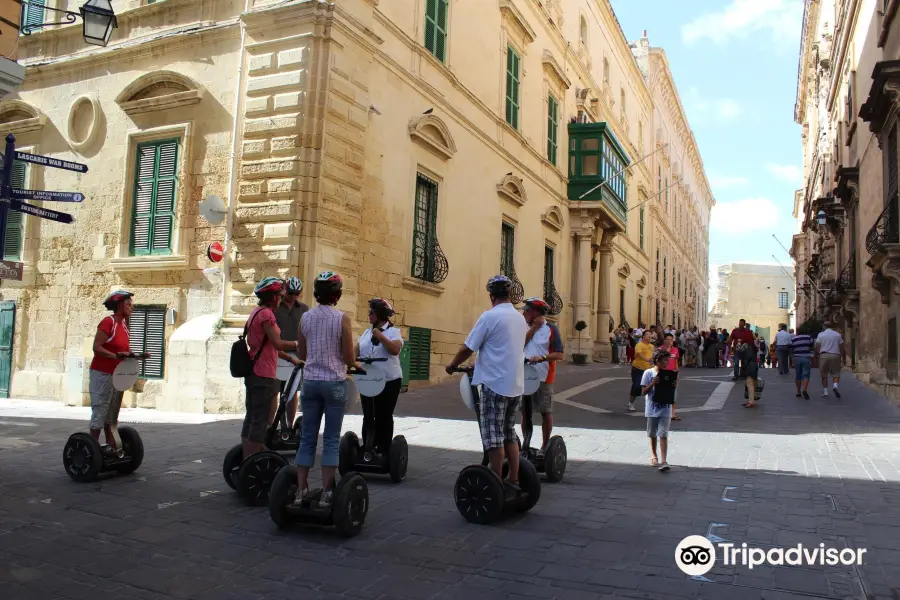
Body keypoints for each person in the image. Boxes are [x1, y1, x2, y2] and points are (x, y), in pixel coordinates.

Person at [446, 275, 526, 492]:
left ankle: (496, 481)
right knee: (509, 431)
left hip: (495, 385)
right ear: (509, 295)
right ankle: (514, 478)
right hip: (516, 385)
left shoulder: (489, 317)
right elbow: (503, 349)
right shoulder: (520, 319)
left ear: (491, 296)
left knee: (493, 435)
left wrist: (452, 364)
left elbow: (467, 347)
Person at [294, 272, 360, 507]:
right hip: (334, 382)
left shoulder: (305, 318)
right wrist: (355, 364)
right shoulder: (341, 318)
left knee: (307, 437)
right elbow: (349, 357)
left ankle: (301, 489)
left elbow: (302, 354)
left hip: (310, 382)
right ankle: (327, 492)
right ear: (338, 294)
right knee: (331, 439)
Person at [242, 278, 304, 461]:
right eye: (280, 295)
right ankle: (252, 460)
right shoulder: (267, 315)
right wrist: (297, 344)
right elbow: (277, 343)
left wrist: (290, 359)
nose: (282, 298)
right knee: (259, 420)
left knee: (251, 417)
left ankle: (247, 456)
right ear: (273, 297)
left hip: (254, 371)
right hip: (264, 374)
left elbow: (269, 346)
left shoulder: (256, 312)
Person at [89, 291, 147, 452]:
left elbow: (125, 351)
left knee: (112, 412)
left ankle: (111, 444)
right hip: (101, 373)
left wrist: (138, 356)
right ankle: (92, 445)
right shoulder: (108, 323)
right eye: (129, 304)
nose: (132, 307)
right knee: (101, 408)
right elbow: (97, 348)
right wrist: (114, 355)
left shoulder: (124, 326)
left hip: (117, 375)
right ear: (120, 305)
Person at [355, 298, 404, 458]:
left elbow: (395, 349)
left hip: (389, 381)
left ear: (380, 315)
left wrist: (381, 337)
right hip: (368, 379)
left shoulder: (393, 332)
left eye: (371, 312)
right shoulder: (366, 332)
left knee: (384, 415)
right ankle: (368, 446)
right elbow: (355, 351)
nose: (368, 315)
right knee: (368, 414)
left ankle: (383, 449)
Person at [521, 297, 564, 451]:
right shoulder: (524, 327)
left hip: (544, 377)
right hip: (524, 376)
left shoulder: (551, 329)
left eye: (527, 310)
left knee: (545, 411)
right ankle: (525, 446)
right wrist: (533, 329)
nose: (524, 313)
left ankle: (545, 447)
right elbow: (518, 345)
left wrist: (542, 357)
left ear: (535, 312)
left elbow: (559, 354)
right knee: (525, 412)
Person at [274, 276, 309, 433]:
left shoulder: (304, 309)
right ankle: (272, 425)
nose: (293, 296)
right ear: (284, 290)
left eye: (296, 293)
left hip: (295, 355)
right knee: (275, 390)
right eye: (290, 292)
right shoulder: (275, 306)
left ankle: (288, 425)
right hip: (277, 353)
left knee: (292, 391)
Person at [641, 348, 676, 472]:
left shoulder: (668, 374)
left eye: (668, 360)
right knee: (652, 434)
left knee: (663, 434)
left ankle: (664, 460)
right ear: (657, 361)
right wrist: (653, 383)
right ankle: (653, 455)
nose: (667, 362)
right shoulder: (648, 373)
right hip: (651, 408)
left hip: (665, 409)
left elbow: (672, 393)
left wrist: (673, 385)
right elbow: (643, 392)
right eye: (664, 360)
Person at [815, 321, 846, 398]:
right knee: (836, 373)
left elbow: (817, 346)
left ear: (824, 326)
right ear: (832, 326)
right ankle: (835, 386)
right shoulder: (837, 335)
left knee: (824, 375)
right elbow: (842, 347)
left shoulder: (821, 335)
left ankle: (825, 392)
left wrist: (817, 354)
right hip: (835, 355)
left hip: (824, 355)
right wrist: (843, 356)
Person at [628, 329, 654, 412]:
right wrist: (647, 359)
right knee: (637, 386)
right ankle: (631, 403)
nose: (650, 336)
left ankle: (651, 405)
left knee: (651, 388)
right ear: (643, 336)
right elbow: (640, 354)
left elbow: (653, 355)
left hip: (649, 371)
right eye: (648, 335)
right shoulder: (639, 345)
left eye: (650, 335)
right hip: (638, 369)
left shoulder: (652, 346)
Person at [661, 332, 681, 420]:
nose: (669, 341)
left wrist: (677, 373)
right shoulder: (660, 349)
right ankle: (661, 412)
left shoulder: (676, 350)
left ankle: (673, 413)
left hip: (673, 373)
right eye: (667, 339)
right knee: (662, 393)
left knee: (673, 393)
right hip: (663, 373)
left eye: (671, 340)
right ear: (664, 340)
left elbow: (676, 362)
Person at [791, 327, 814, 399]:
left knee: (798, 375)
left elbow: (791, 349)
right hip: (806, 358)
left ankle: (798, 392)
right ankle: (804, 389)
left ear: (797, 332)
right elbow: (811, 346)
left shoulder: (793, 339)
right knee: (806, 375)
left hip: (797, 358)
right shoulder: (808, 337)